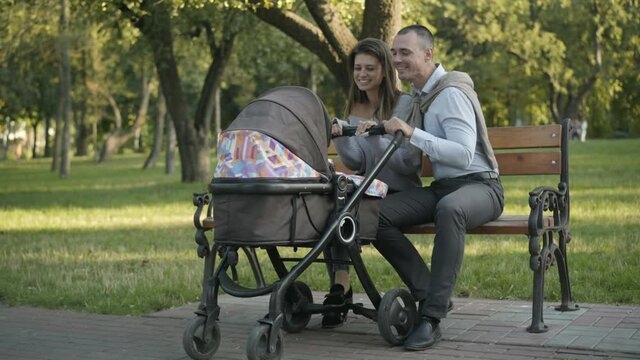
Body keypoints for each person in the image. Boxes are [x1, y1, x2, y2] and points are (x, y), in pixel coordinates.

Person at [376, 25, 505, 351]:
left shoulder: (451, 93)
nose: (397, 59)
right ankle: (427, 292)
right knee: (374, 216)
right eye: (394, 52)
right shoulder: (420, 98)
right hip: (444, 187)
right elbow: (408, 154)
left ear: (428, 54)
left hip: (482, 187)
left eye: (405, 52)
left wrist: (412, 133)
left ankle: (430, 318)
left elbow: (463, 155)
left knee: (451, 209)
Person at [322, 38, 423, 328]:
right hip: (368, 192)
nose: (362, 74)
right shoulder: (356, 105)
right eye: (357, 68)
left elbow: (410, 163)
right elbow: (356, 162)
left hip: (401, 191)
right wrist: (340, 135)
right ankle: (340, 287)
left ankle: (423, 290)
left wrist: (380, 134)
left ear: (385, 70)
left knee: (346, 214)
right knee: (333, 211)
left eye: (370, 68)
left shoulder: (404, 104)